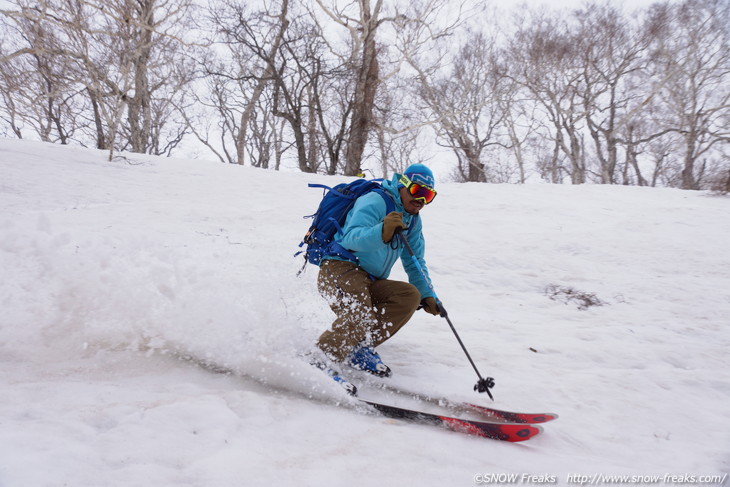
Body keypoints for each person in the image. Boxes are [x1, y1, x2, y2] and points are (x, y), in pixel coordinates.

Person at [314, 163, 441, 377]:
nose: (421, 200)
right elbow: (351, 238)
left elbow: (415, 260)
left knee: (409, 295)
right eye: (417, 191)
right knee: (359, 313)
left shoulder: (412, 221)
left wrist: (428, 294)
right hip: (339, 268)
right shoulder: (376, 200)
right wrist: (382, 230)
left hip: (370, 280)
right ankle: (320, 360)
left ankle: (358, 347)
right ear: (403, 184)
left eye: (428, 196)